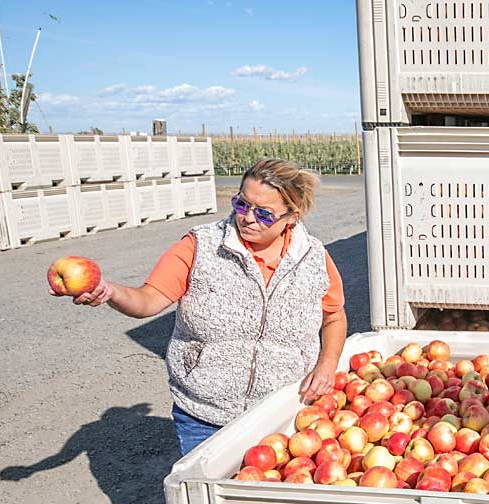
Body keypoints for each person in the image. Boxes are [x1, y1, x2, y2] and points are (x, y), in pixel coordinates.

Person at [52, 158, 348, 456]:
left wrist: (327, 364)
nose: (247, 218)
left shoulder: (313, 258)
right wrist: (110, 292)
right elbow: (148, 300)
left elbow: (334, 316)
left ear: (292, 217)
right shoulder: (201, 246)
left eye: (264, 214)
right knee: (210, 498)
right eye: (242, 204)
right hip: (205, 415)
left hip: (281, 414)